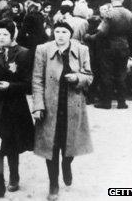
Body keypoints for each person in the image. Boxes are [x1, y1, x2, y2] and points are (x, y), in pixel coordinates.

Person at [32, 21, 93, 201]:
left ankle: (67, 164)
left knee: (70, 144)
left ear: (70, 34)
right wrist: (38, 105)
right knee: (51, 146)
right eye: (57, 31)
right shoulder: (43, 49)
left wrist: (77, 77)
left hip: (72, 105)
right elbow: (37, 80)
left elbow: (89, 76)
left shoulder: (81, 50)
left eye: (64, 32)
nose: (60, 35)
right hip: (51, 106)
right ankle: (53, 185)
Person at [0, 19, 34, 199]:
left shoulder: (23, 53)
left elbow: (27, 84)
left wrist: (10, 86)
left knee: (11, 144)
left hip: (13, 106)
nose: (1, 38)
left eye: (5, 34)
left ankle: (14, 176)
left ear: (13, 36)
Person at [89, 0, 132, 109]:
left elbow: (101, 33)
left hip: (109, 48)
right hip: (124, 47)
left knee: (107, 74)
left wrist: (89, 37)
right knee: (121, 74)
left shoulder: (109, 14)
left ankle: (106, 102)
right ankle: (121, 102)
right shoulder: (129, 14)